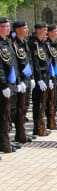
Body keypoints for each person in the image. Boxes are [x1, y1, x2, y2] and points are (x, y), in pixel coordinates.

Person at [11, 20, 35, 143]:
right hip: (18, 81)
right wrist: (19, 81)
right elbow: (14, 64)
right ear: (18, 30)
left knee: (25, 106)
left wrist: (31, 78)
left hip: (26, 79)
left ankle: (21, 132)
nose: (27, 30)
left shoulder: (25, 43)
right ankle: (18, 133)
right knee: (16, 108)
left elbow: (28, 61)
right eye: (25, 28)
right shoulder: (13, 44)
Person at [0, 18, 20, 153]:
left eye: (8, 26)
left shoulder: (8, 42)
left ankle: (6, 142)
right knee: (2, 115)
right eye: (5, 26)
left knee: (7, 115)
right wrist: (3, 85)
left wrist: (17, 82)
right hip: (3, 85)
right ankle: (3, 143)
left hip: (10, 83)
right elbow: (0, 67)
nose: (8, 28)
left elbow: (14, 64)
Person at [29, 23, 51, 136]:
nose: (46, 32)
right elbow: (35, 63)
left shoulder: (42, 43)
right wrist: (38, 79)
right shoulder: (34, 44)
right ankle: (37, 127)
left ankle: (41, 126)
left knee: (44, 103)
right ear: (38, 30)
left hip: (45, 78)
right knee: (38, 103)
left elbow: (46, 61)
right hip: (39, 79)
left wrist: (49, 77)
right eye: (44, 30)